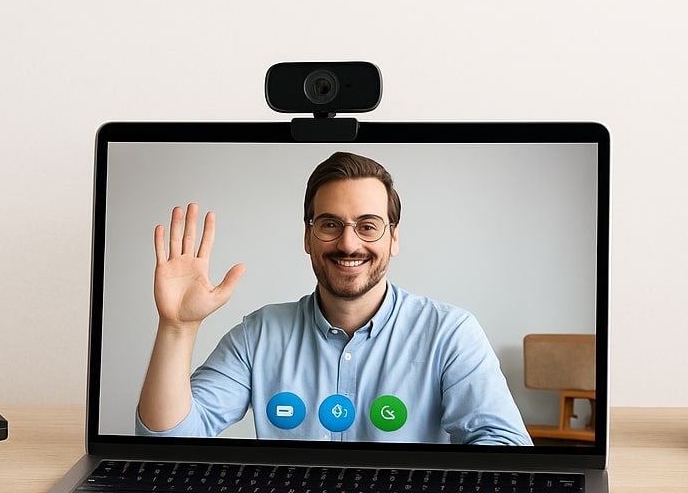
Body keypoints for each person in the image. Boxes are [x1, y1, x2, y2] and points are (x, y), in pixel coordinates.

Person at [135, 151, 531, 445]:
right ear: (307, 237)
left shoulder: (450, 332)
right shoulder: (259, 335)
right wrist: (177, 328)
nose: (348, 243)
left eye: (368, 226)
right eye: (330, 224)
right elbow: (166, 441)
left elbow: (504, 448)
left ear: (394, 238)